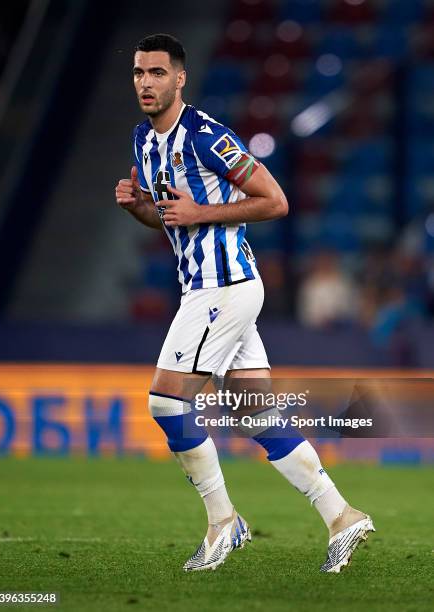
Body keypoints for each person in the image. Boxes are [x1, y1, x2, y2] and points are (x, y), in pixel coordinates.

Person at [115, 33, 374, 573]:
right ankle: (341, 516)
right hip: (203, 286)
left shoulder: (206, 136)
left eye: (157, 73)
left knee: (167, 403)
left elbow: (276, 201)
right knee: (257, 413)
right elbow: (172, 219)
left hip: (225, 286)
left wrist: (203, 214)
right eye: (139, 72)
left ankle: (223, 523)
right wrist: (139, 207)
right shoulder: (143, 139)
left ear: (179, 78)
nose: (146, 82)